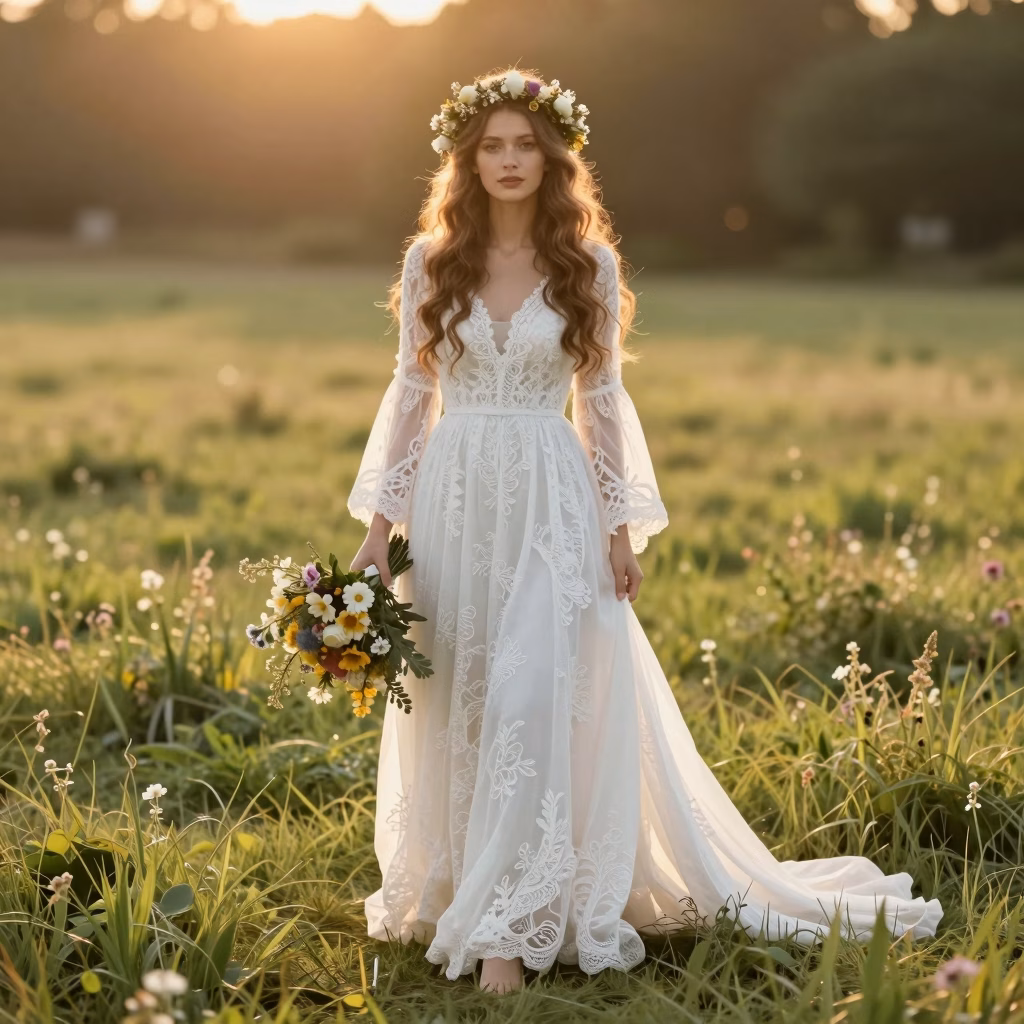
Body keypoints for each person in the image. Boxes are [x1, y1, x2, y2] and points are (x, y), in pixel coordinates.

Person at [346, 66, 943, 995]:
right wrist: (381, 529)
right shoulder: (434, 259)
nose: (509, 161)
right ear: (468, 159)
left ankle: (510, 929)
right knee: (462, 694)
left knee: (535, 700)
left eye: (525, 146)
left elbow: (605, 398)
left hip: (552, 497)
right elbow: (412, 395)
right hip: (456, 501)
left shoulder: (590, 263)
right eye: (492, 146)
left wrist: (620, 525)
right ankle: (465, 885)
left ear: (552, 159)